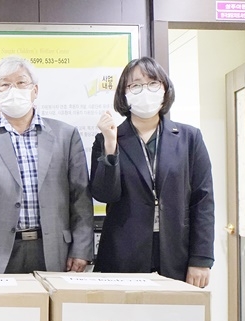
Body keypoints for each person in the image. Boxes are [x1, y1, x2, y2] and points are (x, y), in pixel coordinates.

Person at [0, 55, 94, 274]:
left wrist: (82, 249)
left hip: (53, 249)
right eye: (5, 85)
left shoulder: (65, 135)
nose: (13, 90)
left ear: (35, 90)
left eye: (21, 83)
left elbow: (81, 197)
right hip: (0, 251)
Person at [89, 56, 214, 287]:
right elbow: (105, 195)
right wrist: (110, 146)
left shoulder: (189, 138)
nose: (145, 91)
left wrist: (201, 259)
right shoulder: (107, 138)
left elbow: (203, 200)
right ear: (124, 94)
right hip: (122, 256)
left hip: (176, 253)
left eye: (153, 83)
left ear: (165, 89)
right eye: (135, 85)